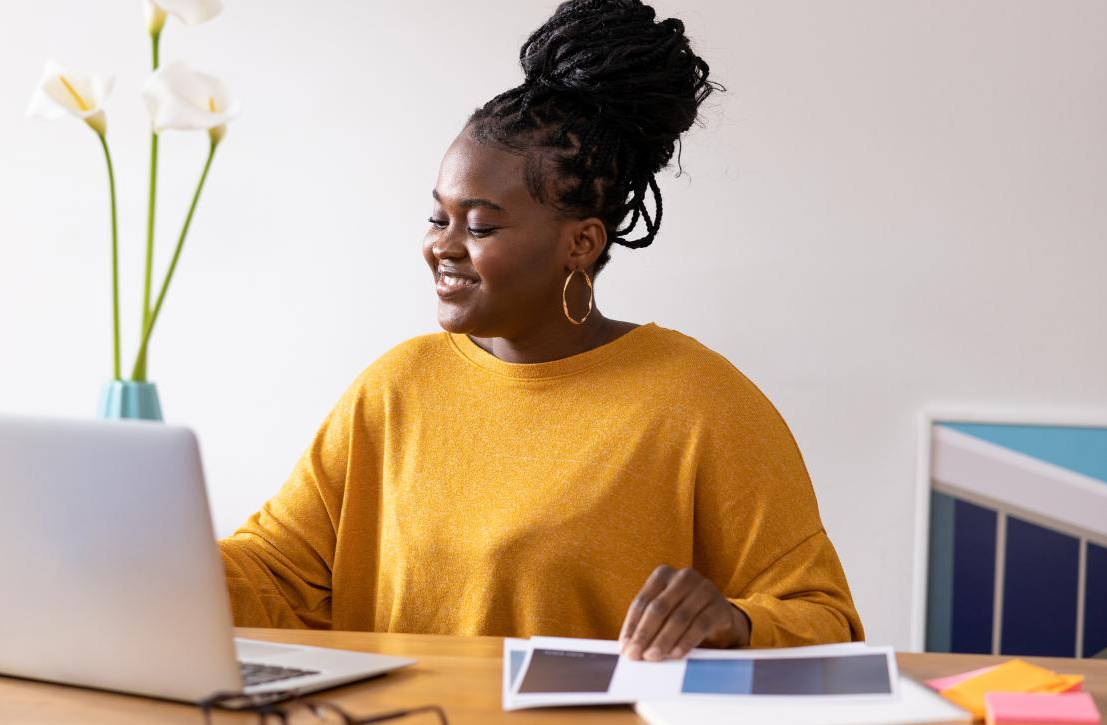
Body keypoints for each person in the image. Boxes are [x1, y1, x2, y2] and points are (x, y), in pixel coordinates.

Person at [218, 0, 863, 661]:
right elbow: (276, 574)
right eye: (438, 217)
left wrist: (733, 622)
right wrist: (141, 557)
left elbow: (824, 620)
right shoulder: (394, 387)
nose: (443, 245)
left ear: (580, 242)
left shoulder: (701, 404)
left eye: (480, 225)